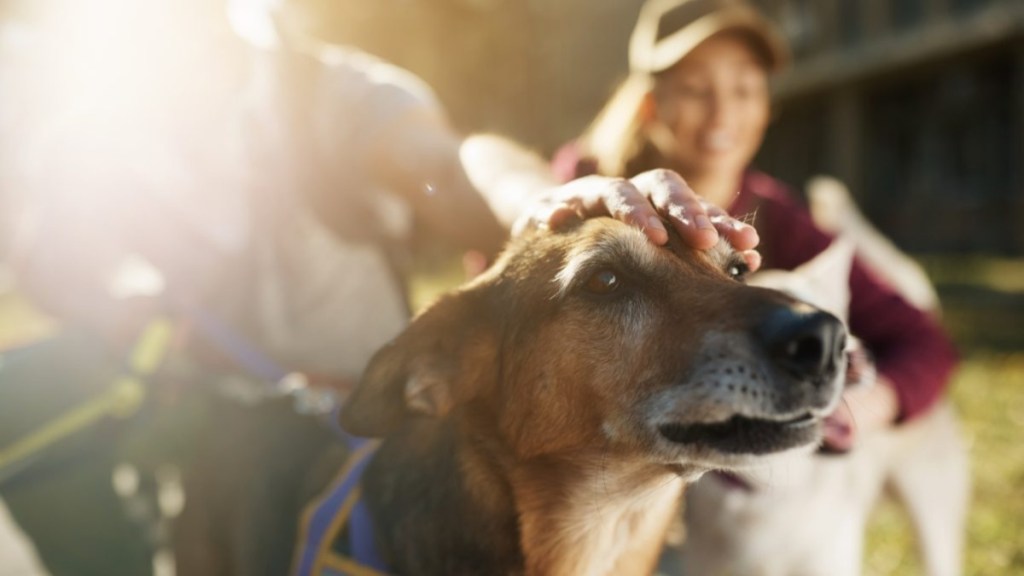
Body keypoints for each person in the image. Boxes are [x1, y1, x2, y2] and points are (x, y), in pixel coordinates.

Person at [1, 1, 762, 574]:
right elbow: (53, 260)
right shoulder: (91, 131)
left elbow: (454, 163)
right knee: (14, 393)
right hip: (191, 392)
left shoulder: (328, 92)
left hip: (365, 405)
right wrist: (120, 308)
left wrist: (548, 201)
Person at [553, 0, 958, 451]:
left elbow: (923, 340)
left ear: (768, 107)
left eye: (745, 90)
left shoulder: (777, 216)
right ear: (651, 104)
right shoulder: (583, 185)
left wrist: (870, 404)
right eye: (694, 89)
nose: (722, 113)